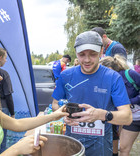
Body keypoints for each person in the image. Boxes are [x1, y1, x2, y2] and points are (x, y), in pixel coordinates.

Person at [51, 31, 132, 156]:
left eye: (93, 54)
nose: (87, 60)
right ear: (76, 53)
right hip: (72, 145)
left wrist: (102, 114)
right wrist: (64, 114)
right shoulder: (66, 76)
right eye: (82, 54)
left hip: (101, 147)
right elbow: (55, 104)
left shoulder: (113, 77)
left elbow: (127, 117)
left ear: (101, 52)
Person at [92, 27, 128, 155]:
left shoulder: (117, 48)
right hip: (107, 93)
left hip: (114, 95)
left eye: (99, 40)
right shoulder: (107, 48)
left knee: (114, 127)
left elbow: (121, 69)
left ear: (105, 36)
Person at [100, 55, 140, 156]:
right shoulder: (107, 82)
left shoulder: (130, 74)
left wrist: (130, 101)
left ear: (112, 68)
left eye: (104, 71)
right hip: (132, 119)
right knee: (123, 148)